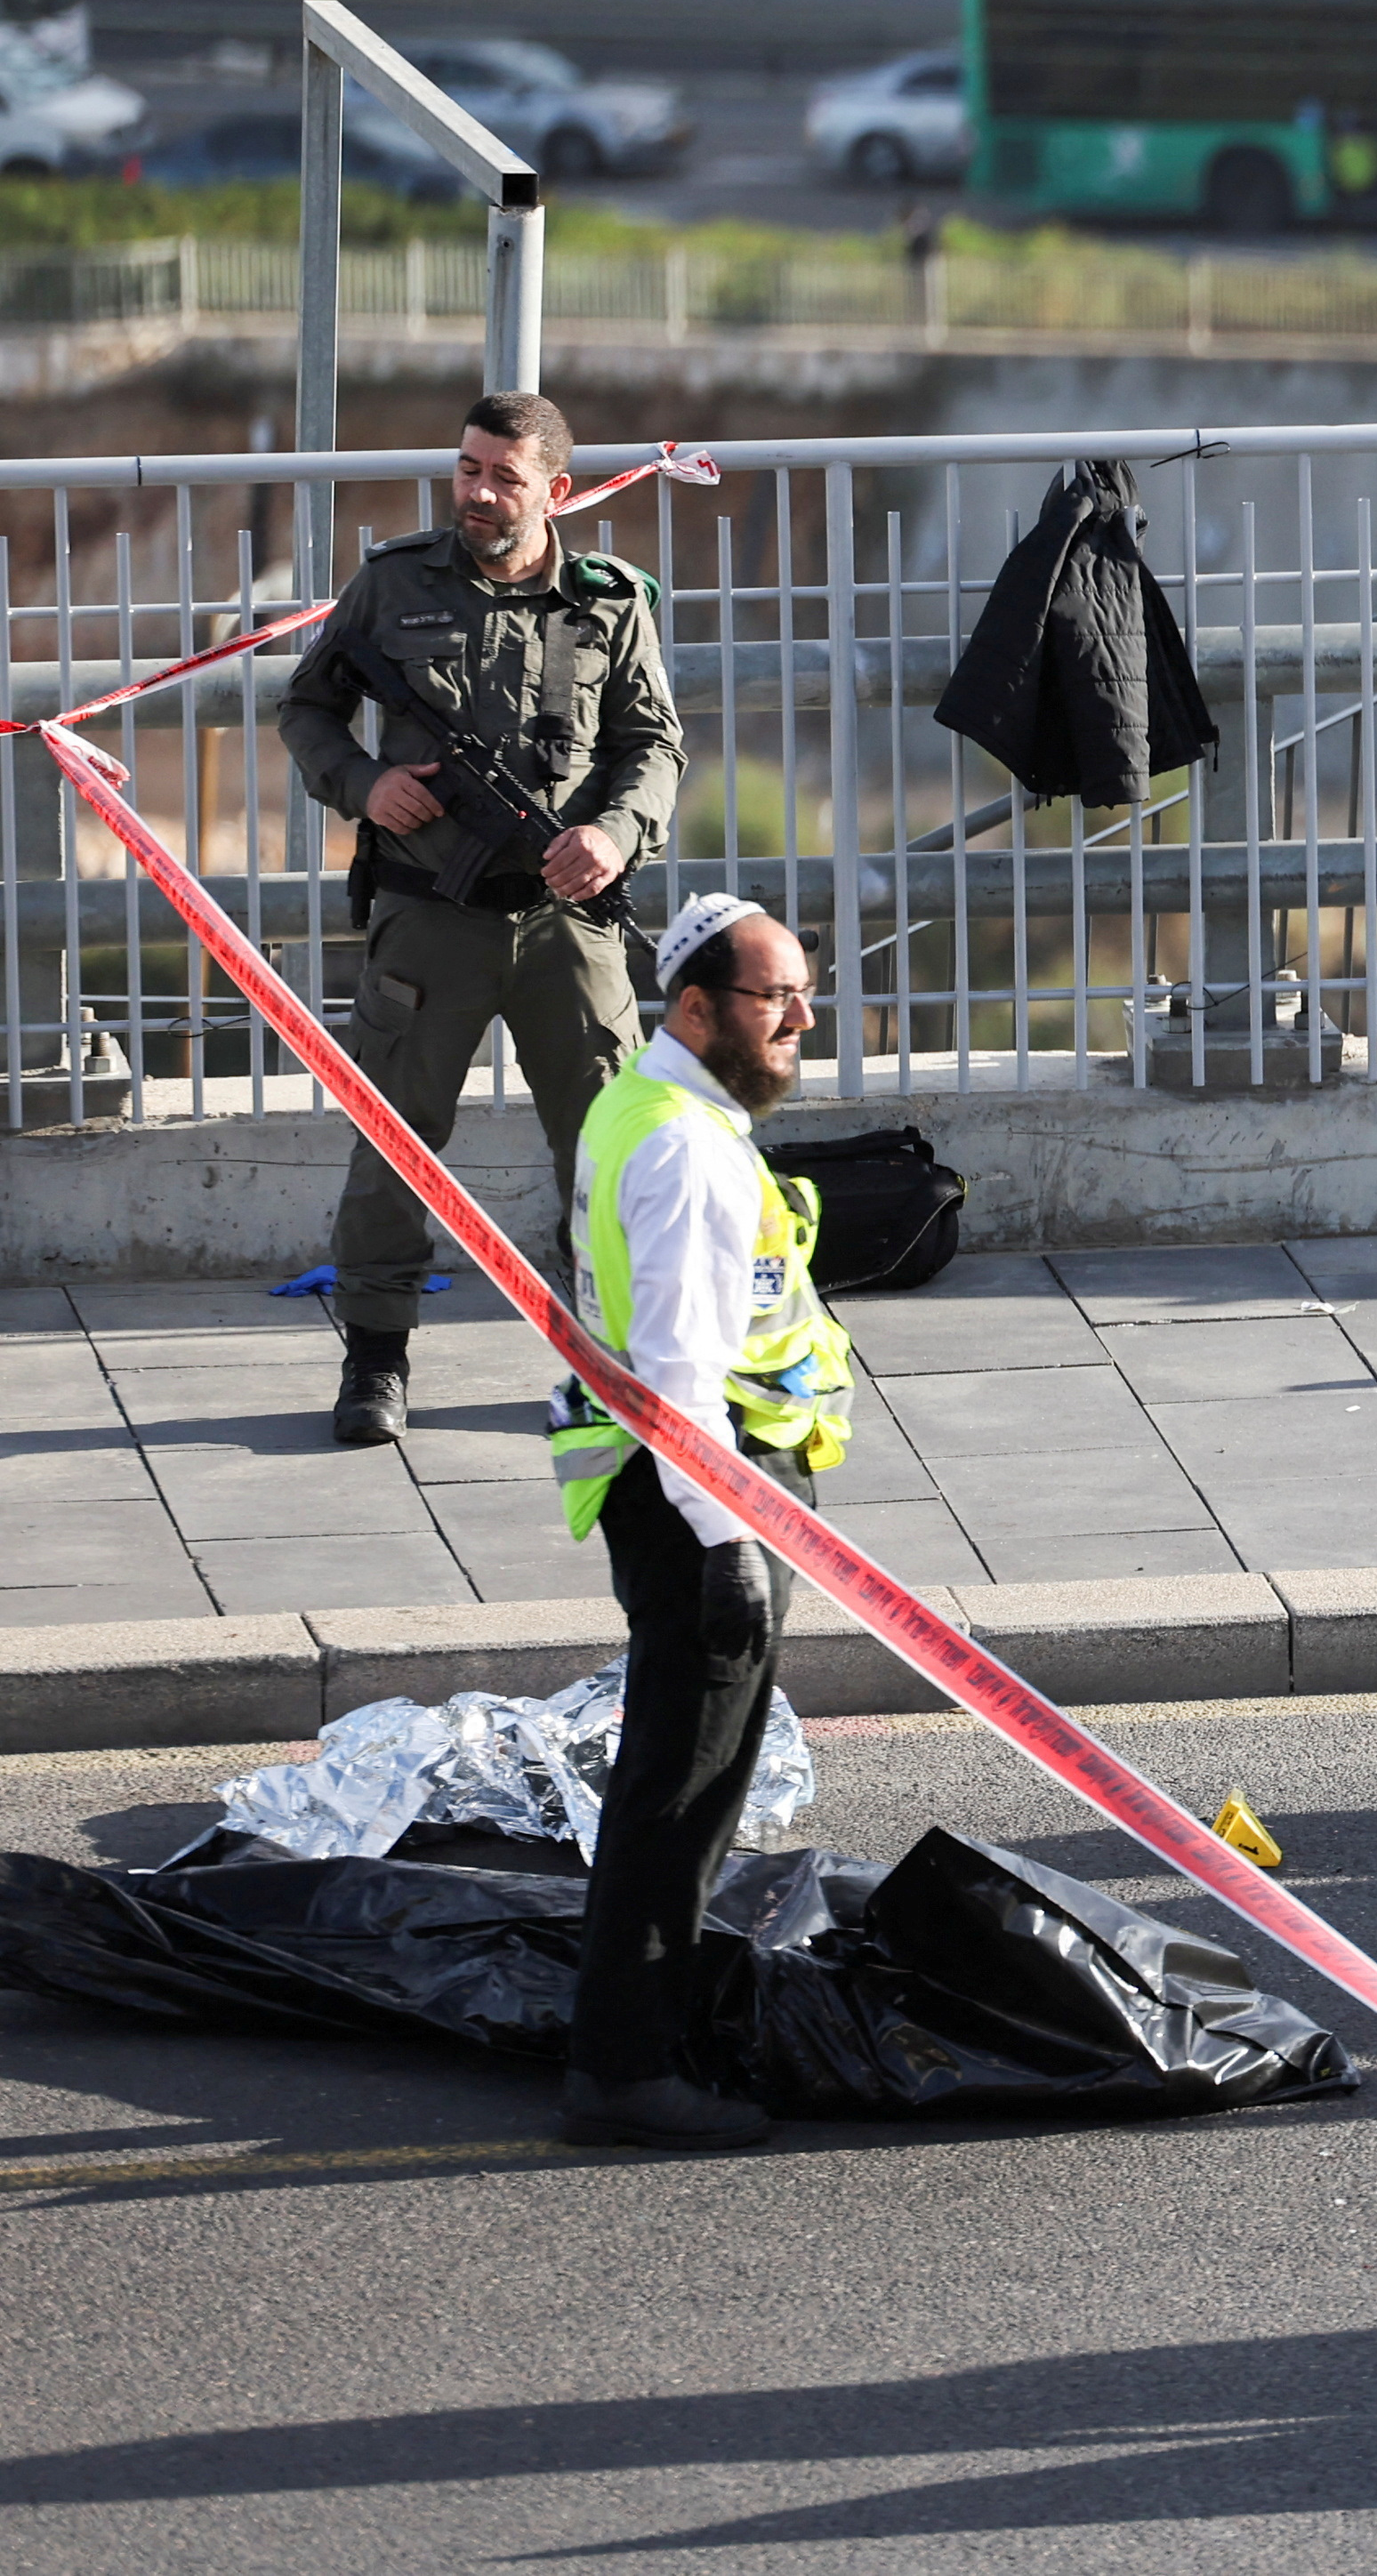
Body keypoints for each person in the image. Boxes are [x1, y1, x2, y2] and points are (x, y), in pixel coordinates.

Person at [278, 390, 683, 1450]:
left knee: (607, 1149)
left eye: (502, 475)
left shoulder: (611, 600)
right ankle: (375, 1356)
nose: (477, 490)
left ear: (553, 490)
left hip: (569, 919)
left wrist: (617, 835)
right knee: (396, 1147)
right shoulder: (392, 582)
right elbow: (307, 704)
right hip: (428, 919)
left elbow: (654, 743)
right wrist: (363, 784)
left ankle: (616, 1361)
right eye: (466, 468)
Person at [544, 895, 853, 2152]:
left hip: (688, 1494)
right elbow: (677, 1376)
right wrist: (729, 1546)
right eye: (775, 997)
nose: (801, 1017)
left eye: (801, 992)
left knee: (686, 1783)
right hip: (695, 1506)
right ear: (693, 1007)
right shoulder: (683, 1149)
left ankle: (644, 2034)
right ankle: (627, 2066)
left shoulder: (655, 1108)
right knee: (681, 1793)